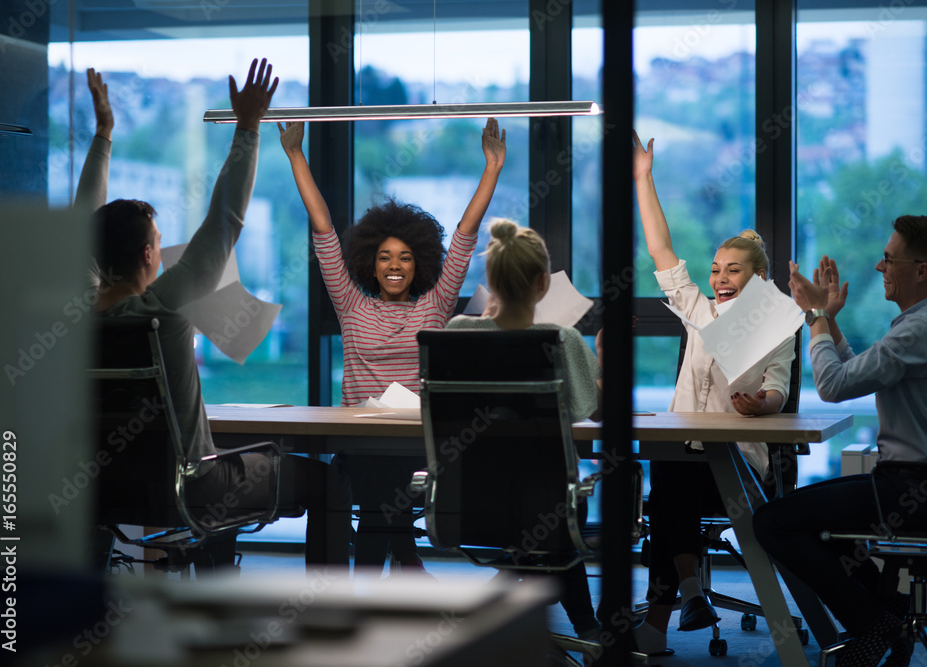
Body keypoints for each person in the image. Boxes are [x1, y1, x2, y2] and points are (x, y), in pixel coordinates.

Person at [80, 62, 352, 568]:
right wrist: (248, 128)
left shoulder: (72, 319)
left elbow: (82, 228)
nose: (161, 251)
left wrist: (103, 136)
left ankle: (205, 594)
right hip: (193, 484)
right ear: (147, 257)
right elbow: (225, 222)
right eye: (158, 244)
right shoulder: (162, 310)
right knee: (329, 481)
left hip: (99, 486)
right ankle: (322, 618)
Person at [279, 117, 506, 572]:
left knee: (380, 507)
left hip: (414, 445)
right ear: (370, 262)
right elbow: (323, 229)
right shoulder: (350, 304)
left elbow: (463, 236)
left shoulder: (436, 305)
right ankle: (405, 560)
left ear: (419, 262)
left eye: (404, 257)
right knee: (378, 496)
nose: (394, 265)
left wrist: (492, 168)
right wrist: (295, 155)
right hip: (361, 442)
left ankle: (387, 573)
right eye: (384, 257)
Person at [753, 215, 927, 667]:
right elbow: (859, 372)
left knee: (772, 522)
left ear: (921, 271)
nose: (879, 267)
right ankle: (888, 613)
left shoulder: (921, 329)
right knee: (815, 523)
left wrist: (815, 316)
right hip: (918, 484)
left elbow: (833, 386)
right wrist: (829, 323)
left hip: (915, 489)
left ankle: (872, 623)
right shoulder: (926, 322)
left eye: (889, 259)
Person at [629, 131, 796, 657]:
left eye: (734, 270)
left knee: (667, 496)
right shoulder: (699, 313)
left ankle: (668, 613)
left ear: (759, 276)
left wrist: (760, 405)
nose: (720, 279)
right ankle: (691, 590)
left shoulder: (776, 324)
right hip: (687, 457)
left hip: (738, 470)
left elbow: (778, 389)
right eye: (717, 270)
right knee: (670, 481)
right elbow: (660, 248)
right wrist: (643, 177)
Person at [446, 218, 602, 638]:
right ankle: (588, 630)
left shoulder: (457, 334)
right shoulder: (562, 339)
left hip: (470, 500)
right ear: (542, 284)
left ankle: (517, 582)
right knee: (554, 507)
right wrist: (602, 362)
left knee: (540, 509)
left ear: (489, 278)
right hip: (548, 504)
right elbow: (593, 407)